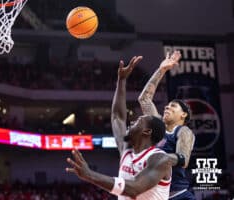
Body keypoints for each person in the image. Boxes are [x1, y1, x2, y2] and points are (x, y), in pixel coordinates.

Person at [66, 56, 173, 200]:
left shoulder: (160, 159)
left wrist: (90, 175)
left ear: (147, 132)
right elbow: (117, 117)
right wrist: (121, 81)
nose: (132, 122)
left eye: (138, 121)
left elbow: (134, 188)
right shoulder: (126, 150)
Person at [138, 51, 195, 199]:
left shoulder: (183, 131)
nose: (167, 108)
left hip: (178, 195)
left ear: (183, 115)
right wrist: (162, 69)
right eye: (167, 106)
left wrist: (155, 158)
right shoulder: (158, 127)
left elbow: (183, 159)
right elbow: (144, 99)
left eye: (173, 106)